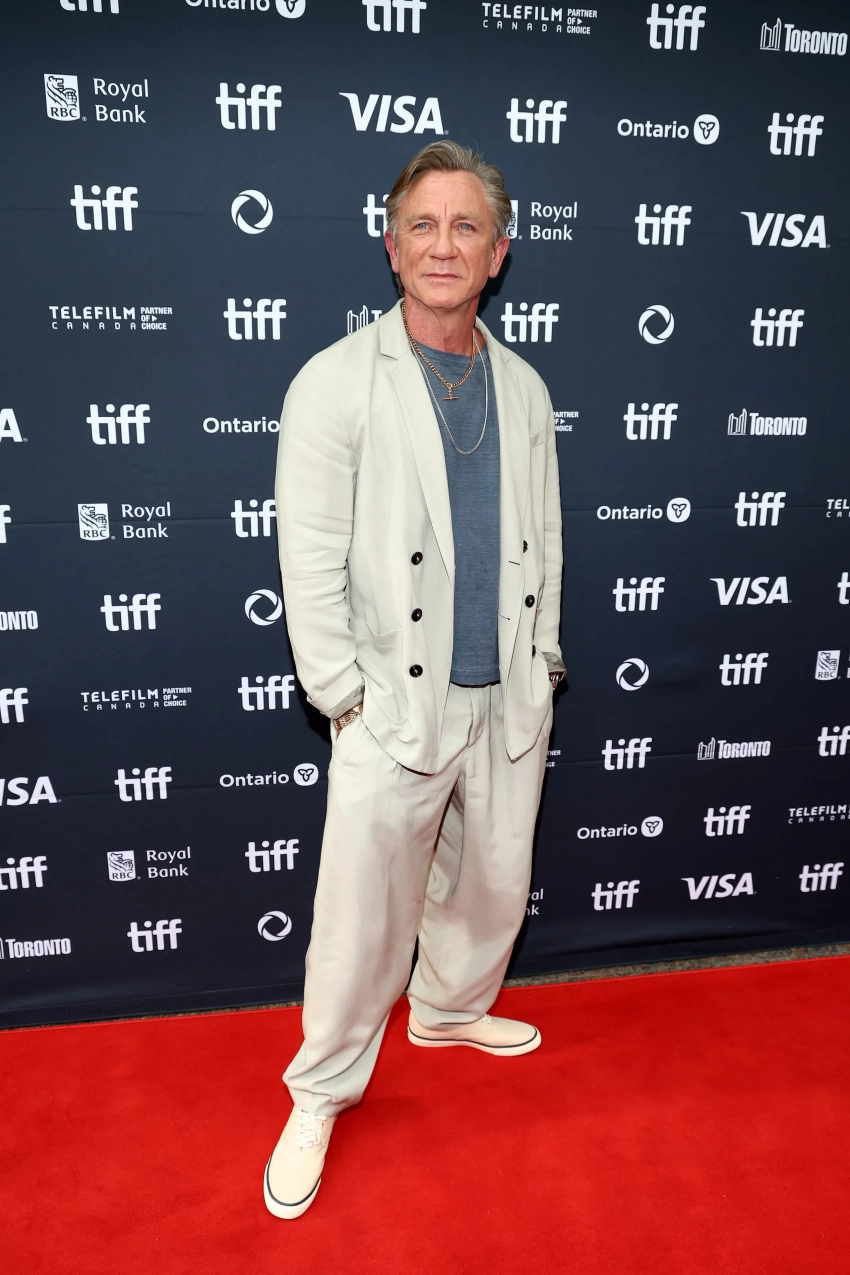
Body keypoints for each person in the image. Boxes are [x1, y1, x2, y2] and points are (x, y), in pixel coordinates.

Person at [266, 140, 564, 1219]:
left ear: (498, 252)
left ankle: (446, 1008)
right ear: (392, 249)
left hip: (503, 692)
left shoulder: (523, 387)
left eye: (466, 227)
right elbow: (307, 560)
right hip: (391, 701)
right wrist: (344, 699)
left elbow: (547, 539)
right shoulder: (334, 382)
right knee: (359, 922)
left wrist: (544, 660)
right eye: (423, 226)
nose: (444, 246)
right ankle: (319, 1090)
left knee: (491, 879)